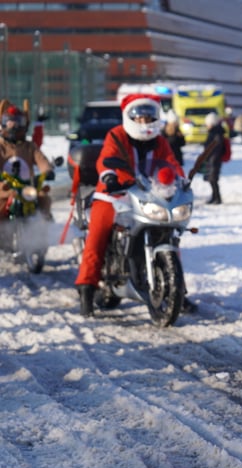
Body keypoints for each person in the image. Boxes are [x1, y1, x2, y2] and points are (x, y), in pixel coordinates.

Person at [74, 93, 184, 317]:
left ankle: (178, 289)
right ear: (130, 117)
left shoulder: (160, 141)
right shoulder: (116, 135)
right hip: (114, 195)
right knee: (98, 235)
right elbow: (106, 159)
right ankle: (86, 287)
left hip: (148, 195)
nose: (144, 122)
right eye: (140, 117)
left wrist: (180, 180)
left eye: (149, 117)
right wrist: (109, 176)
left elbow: (172, 164)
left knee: (167, 233)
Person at [0, 103, 55, 221]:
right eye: (10, 122)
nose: (14, 126)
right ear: (4, 124)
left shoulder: (29, 146)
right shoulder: (1, 146)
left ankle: (44, 230)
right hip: (5, 187)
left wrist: (47, 170)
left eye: (17, 122)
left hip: (28, 188)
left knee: (44, 198)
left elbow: (41, 159)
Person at [203, 112, 226, 204]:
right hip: (211, 159)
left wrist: (212, 159)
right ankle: (214, 197)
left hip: (214, 160)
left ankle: (217, 198)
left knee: (213, 179)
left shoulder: (216, 133)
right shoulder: (214, 132)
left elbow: (216, 148)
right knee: (211, 179)